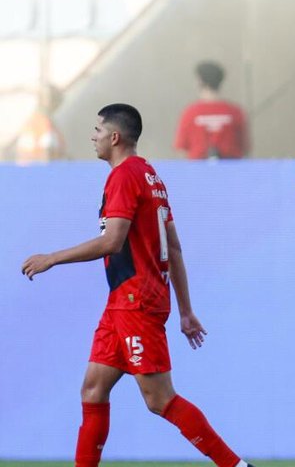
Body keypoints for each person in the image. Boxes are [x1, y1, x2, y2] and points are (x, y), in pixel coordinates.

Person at [21, 103, 253, 467]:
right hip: (124, 300)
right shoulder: (150, 176)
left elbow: (112, 241)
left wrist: (52, 258)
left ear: (114, 137)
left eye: (97, 130)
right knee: (93, 389)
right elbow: (173, 245)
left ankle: (235, 465)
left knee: (159, 399)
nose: (92, 137)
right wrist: (185, 310)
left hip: (136, 299)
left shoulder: (124, 176)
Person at [174, 61, 250, 159]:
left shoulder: (190, 113)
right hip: (231, 170)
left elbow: (181, 148)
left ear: (199, 81)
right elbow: (245, 148)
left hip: (198, 170)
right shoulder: (235, 112)